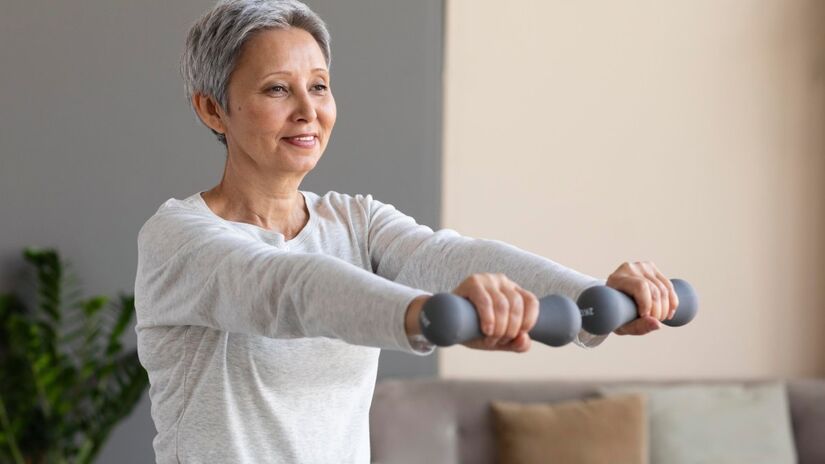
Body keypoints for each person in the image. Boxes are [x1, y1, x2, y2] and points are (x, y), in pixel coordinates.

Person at [134, 0, 679, 462]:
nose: (307, 111)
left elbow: (450, 257)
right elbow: (290, 288)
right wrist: (430, 316)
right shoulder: (179, 240)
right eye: (278, 89)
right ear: (213, 109)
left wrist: (592, 297)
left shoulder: (355, 221)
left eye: (319, 86)